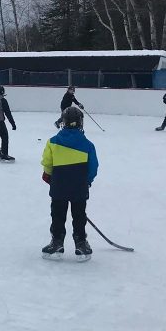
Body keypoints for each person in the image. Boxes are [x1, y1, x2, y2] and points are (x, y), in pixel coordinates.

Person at [40, 106, 98, 261]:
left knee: (57, 214)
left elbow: (47, 162)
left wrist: (48, 175)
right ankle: (81, 243)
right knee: (79, 215)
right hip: (79, 188)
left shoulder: (52, 142)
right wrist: (88, 181)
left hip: (59, 187)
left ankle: (57, 242)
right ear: (80, 123)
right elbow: (93, 167)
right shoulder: (88, 145)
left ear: (63, 122)